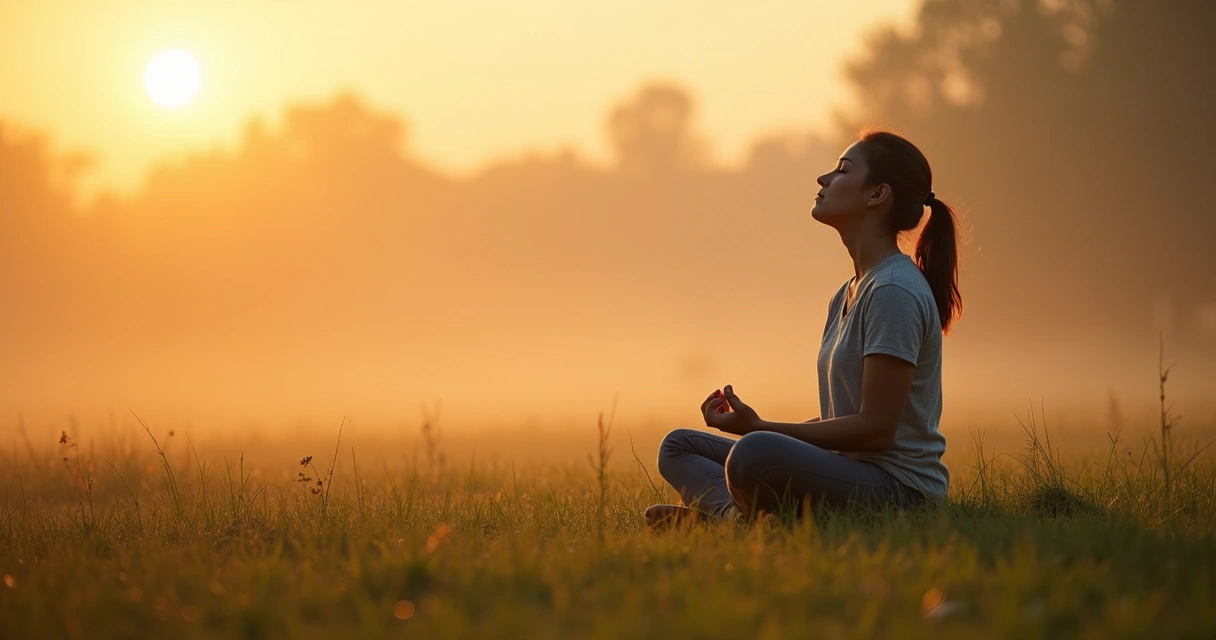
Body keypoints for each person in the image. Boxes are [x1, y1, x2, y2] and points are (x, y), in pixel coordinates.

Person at [645, 129, 962, 528]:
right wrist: (758, 428)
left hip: (898, 491)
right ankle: (734, 521)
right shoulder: (848, 293)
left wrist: (760, 430)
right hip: (845, 471)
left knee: (754, 452)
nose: (823, 180)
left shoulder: (893, 291)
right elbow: (843, 416)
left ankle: (732, 523)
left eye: (842, 170)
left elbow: (876, 431)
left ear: (877, 195)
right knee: (678, 446)